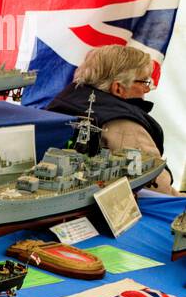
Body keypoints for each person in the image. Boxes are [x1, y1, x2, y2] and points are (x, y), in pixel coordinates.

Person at [47, 44, 177, 194]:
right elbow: (160, 189)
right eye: (144, 82)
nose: (147, 89)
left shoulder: (63, 100)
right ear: (118, 88)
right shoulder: (125, 126)